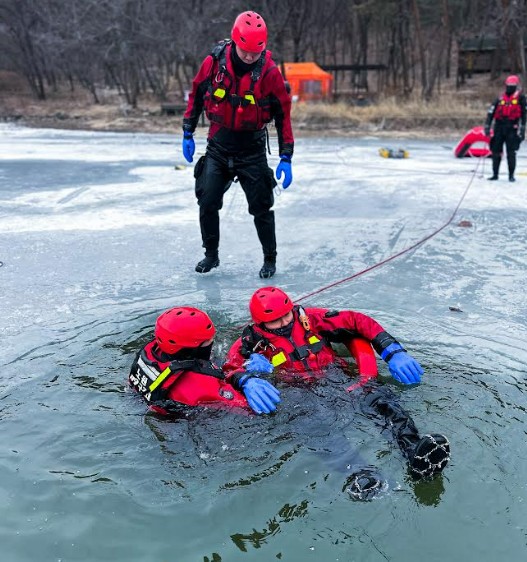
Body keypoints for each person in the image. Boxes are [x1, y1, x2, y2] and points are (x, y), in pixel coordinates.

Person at [223, 286, 450, 480]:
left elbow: (357, 320)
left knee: (384, 403)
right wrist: (248, 378)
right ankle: (361, 475)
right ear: (260, 323)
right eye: (275, 321)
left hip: (340, 379)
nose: (284, 324)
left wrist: (393, 351)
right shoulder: (249, 344)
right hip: (300, 395)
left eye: (287, 316)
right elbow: (229, 368)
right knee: (319, 430)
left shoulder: (310, 319)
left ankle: (414, 451)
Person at [181, 10, 294, 279]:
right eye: (245, 52)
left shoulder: (269, 73)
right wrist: (188, 130)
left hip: (251, 149)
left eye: (255, 53)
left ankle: (269, 259)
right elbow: (196, 94)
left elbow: (283, 116)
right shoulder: (213, 62)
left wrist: (286, 156)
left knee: (261, 206)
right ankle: (211, 254)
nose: (249, 57)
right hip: (219, 145)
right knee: (207, 201)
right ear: (235, 41)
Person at [129, 306, 280, 416]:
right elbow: (249, 408)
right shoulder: (201, 385)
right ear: (191, 349)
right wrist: (246, 376)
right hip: (181, 419)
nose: (212, 343)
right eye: (208, 342)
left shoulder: (152, 350)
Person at [484, 74, 526, 182]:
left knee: (511, 152)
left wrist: (522, 130)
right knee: (496, 151)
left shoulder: (521, 98)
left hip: (512, 128)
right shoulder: (500, 98)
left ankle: (511, 175)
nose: (510, 87)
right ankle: (495, 174)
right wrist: (487, 126)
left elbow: (524, 115)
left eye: (512, 85)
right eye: (508, 85)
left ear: (516, 86)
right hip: (499, 127)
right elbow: (491, 113)